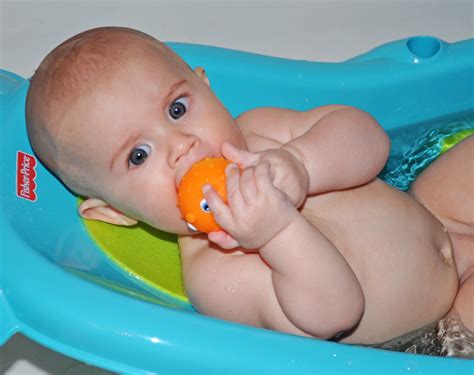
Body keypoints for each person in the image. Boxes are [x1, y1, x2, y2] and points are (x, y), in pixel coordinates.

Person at [25, 27, 473, 350]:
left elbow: (369, 139)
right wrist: (276, 232)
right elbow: (336, 315)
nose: (182, 146)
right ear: (116, 212)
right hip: (441, 317)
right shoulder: (217, 275)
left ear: (207, 86)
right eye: (138, 156)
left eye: (177, 109)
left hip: (434, 211)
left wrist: (303, 161)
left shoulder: (258, 131)